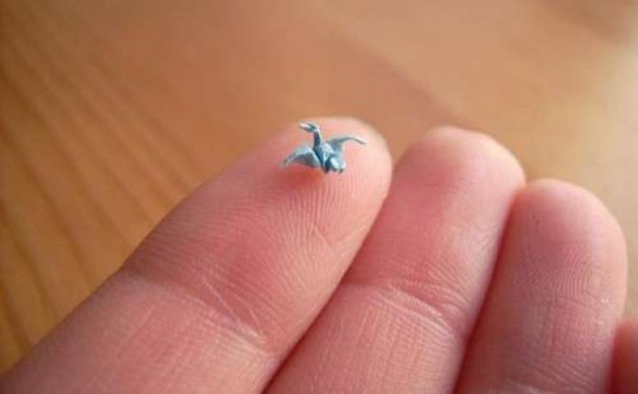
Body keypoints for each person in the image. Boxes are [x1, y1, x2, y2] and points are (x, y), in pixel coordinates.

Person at [2, 119, 636, 393]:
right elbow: (317, 151)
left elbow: (333, 150)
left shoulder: (329, 156)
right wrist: (306, 157)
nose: (324, 155)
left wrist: (325, 153)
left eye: (323, 154)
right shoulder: (315, 157)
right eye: (321, 154)